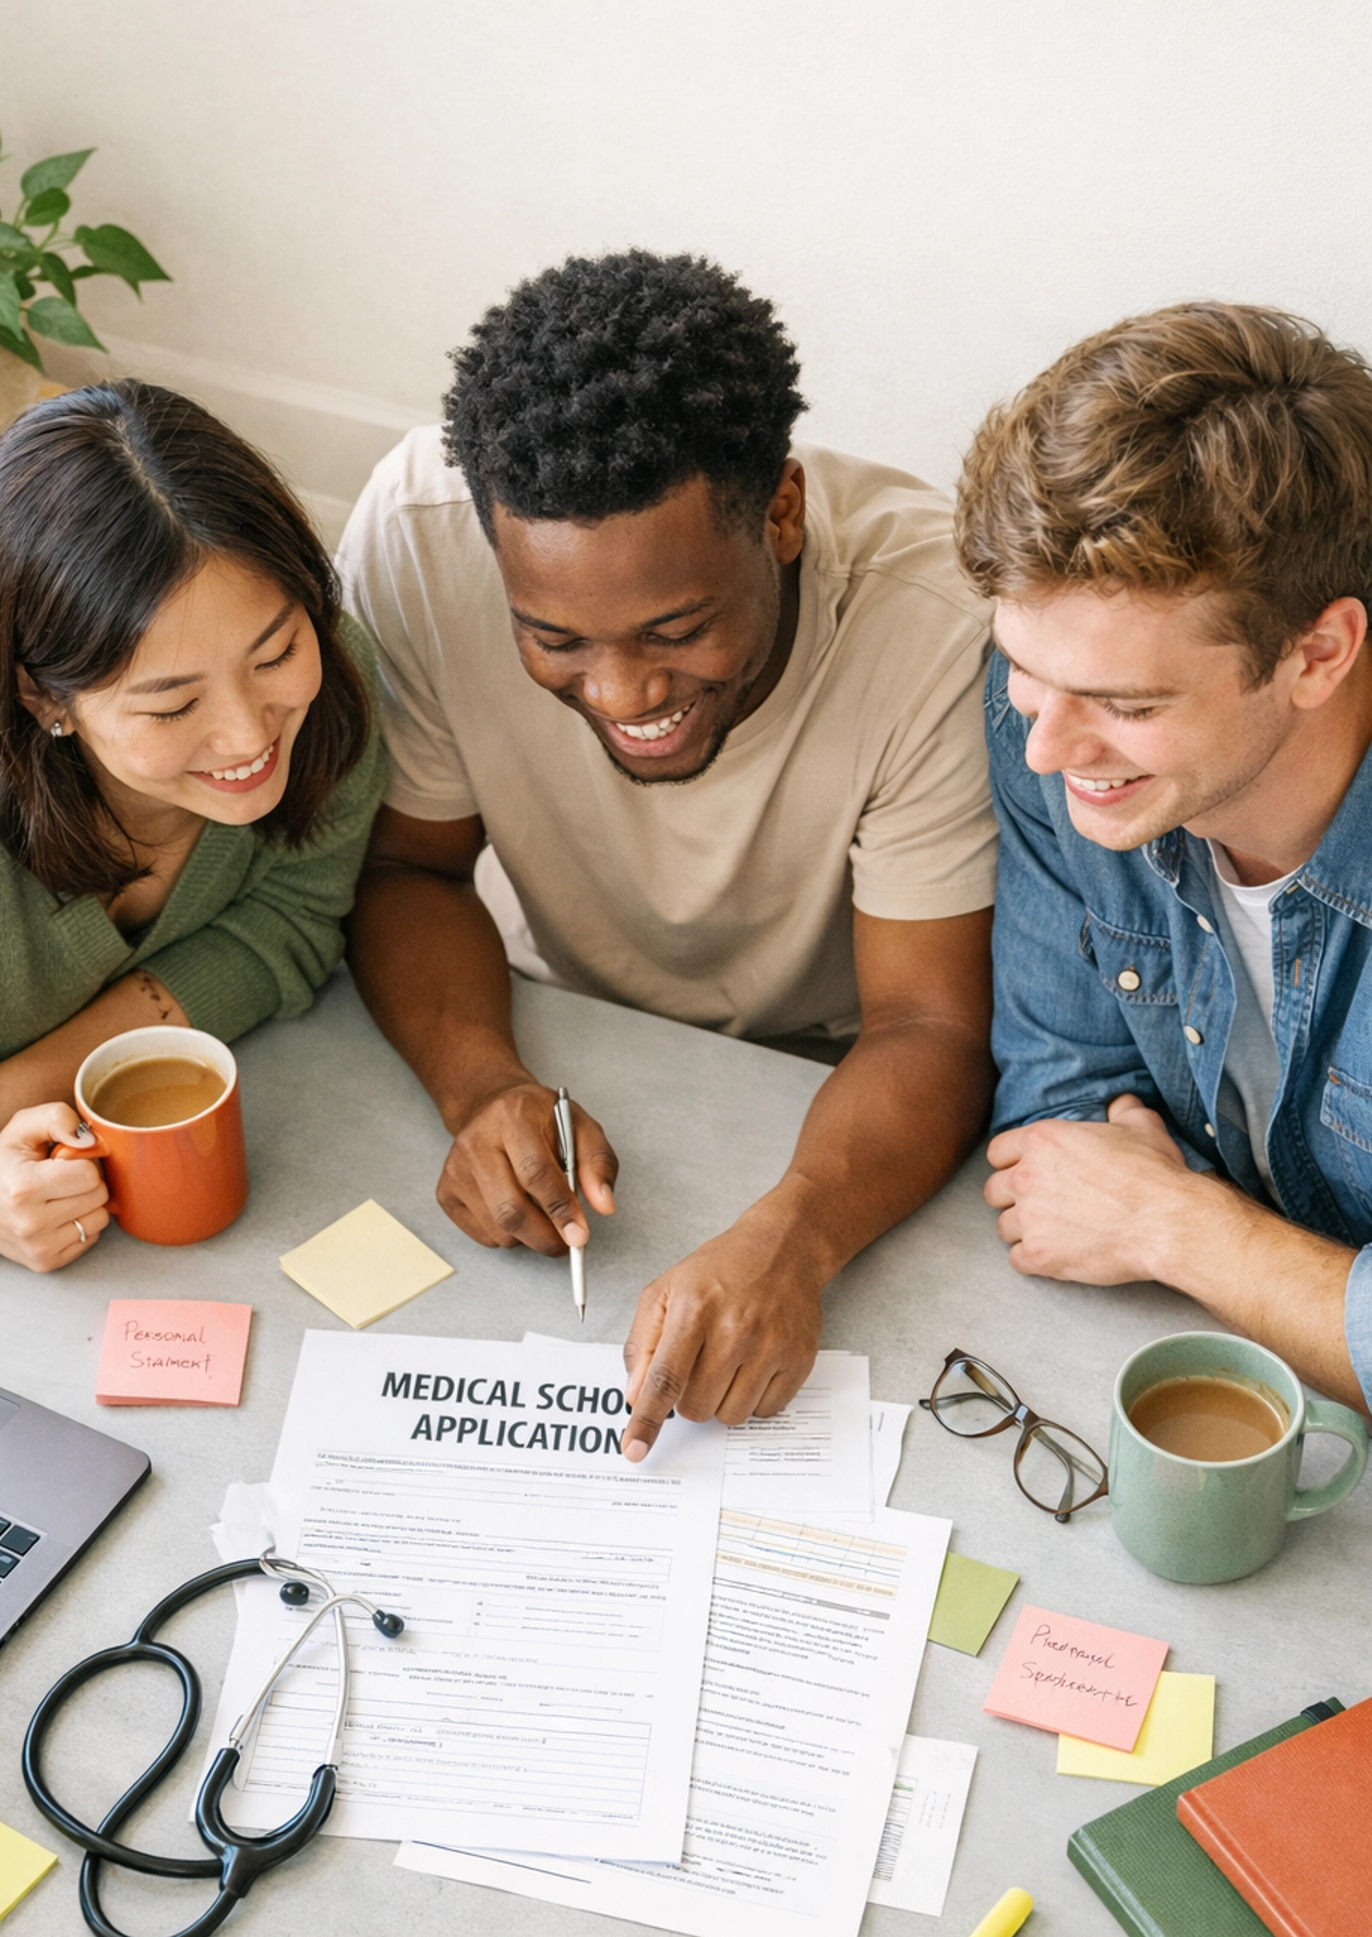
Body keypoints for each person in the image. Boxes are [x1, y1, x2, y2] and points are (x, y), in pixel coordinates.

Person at [340, 250, 998, 1459]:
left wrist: (795, 1239)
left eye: (678, 629)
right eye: (555, 640)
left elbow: (932, 1024)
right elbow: (407, 870)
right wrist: (480, 1086)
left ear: (784, 514)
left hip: (833, 1073)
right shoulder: (418, 535)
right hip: (559, 1019)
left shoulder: (939, 623)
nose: (625, 693)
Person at [954, 301, 1372, 1449]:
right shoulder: (1058, 713)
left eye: (1128, 705)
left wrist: (1181, 1229)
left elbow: (1120, 1204)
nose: (1046, 750)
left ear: (1318, 653)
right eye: (1024, 670)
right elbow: (1057, 1130)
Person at [0, 380, 387, 1270]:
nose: (250, 735)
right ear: (44, 697)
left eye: (275, 653)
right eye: (172, 706)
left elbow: (293, 921)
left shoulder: (335, 683)